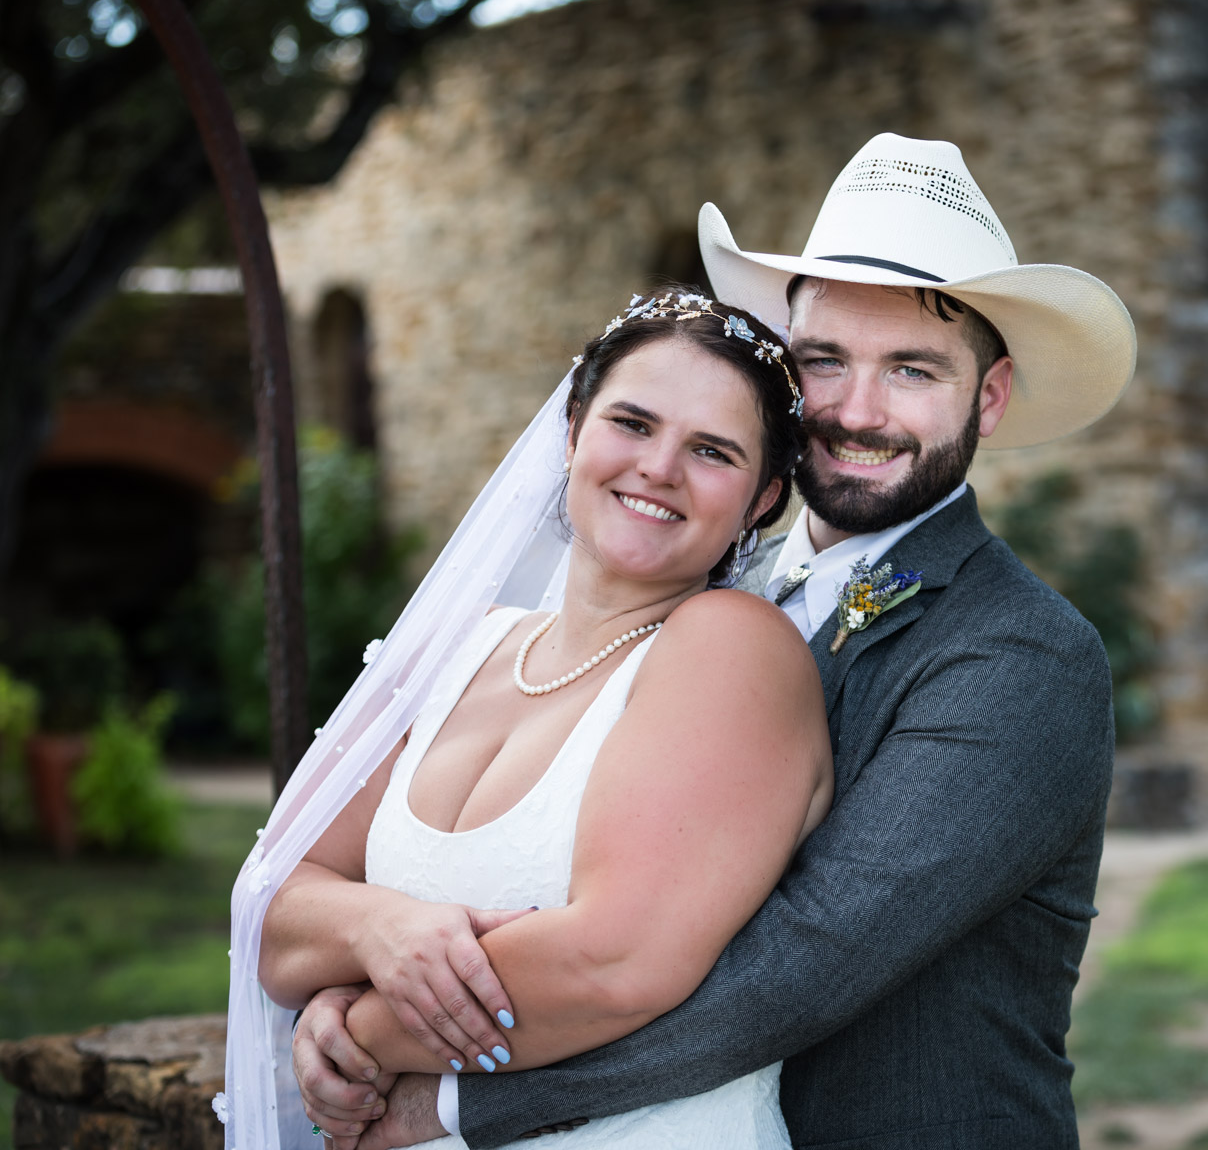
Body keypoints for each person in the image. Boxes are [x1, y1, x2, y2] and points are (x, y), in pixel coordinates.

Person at [293, 133, 1137, 1149]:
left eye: (912, 370)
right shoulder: (724, 593)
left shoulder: (1020, 654)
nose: (858, 412)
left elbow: (797, 965)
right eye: (826, 360)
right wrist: (365, 960)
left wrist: (424, 1076)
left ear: (988, 398)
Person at [224, 291, 832, 1149]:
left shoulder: (731, 648)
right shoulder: (461, 647)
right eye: (632, 422)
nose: (659, 467)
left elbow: (613, 964)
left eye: (712, 451)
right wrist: (379, 928)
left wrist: (358, 1036)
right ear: (575, 427)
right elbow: (274, 903)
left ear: (764, 498)